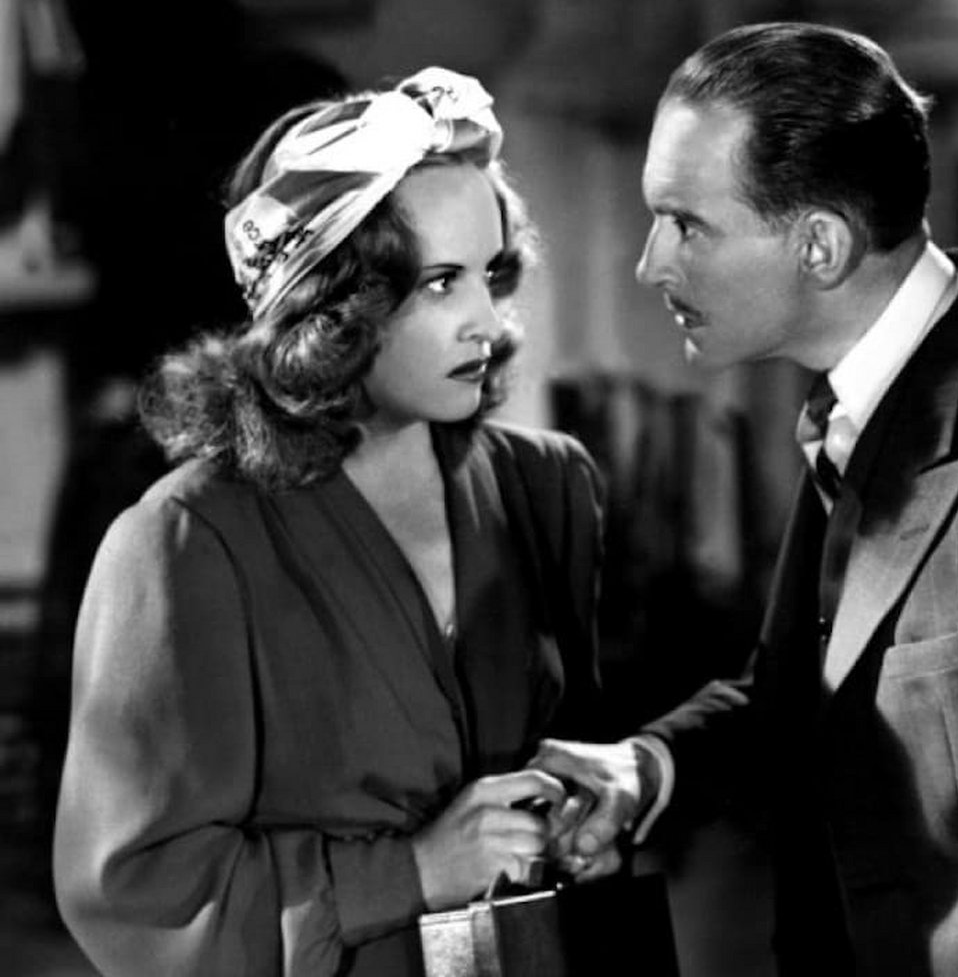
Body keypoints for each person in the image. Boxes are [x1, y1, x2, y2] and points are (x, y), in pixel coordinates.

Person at [530, 21, 958, 977]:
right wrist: (648, 768)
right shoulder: (856, 404)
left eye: (686, 224)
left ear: (819, 245)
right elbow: (809, 692)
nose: (651, 263)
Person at [53, 67, 609, 977]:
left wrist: (591, 815)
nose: (487, 322)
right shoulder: (187, 542)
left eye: (491, 274)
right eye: (440, 284)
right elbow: (136, 894)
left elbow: (594, 751)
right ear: (332, 309)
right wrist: (412, 871)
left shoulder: (549, 487)